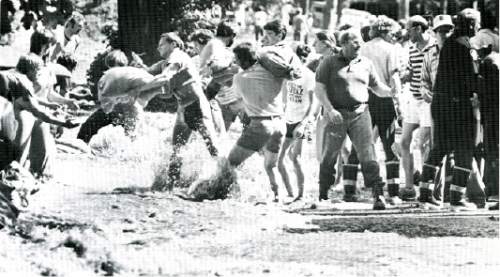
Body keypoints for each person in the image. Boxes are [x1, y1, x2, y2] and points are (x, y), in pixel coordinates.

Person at [314, 28, 396, 210]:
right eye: (354, 41)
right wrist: (330, 110)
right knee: (330, 154)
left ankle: (378, 194)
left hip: (361, 113)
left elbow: (376, 87)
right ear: (343, 44)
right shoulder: (329, 62)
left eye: (360, 40)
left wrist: (391, 92)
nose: (359, 44)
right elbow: (319, 89)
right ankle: (323, 195)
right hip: (337, 115)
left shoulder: (366, 63)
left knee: (368, 153)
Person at [138, 32, 219, 190]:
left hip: (197, 105)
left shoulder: (177, 57)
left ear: (173, 44)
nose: (158, 47)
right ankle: (169, 187)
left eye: (161, 44)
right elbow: (147, 73)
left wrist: (143, 89)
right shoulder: (165, 62)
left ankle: (226, 178)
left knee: (212, 146)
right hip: (183, 107)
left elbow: (166, 76)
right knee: (177, 149)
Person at [419, 9, 481, 211]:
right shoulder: (465, 46)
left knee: (440, 148)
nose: (478, 27)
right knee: (465, 148)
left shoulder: (448, 44)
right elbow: (471, 79)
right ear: (471, 25)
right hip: (458, 105)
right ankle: (457, 199)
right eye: (476, 24)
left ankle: (425, 195)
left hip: (440, 103)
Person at [341, 16, 403, 204]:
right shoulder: (390, 49)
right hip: (384, 99)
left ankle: (349, 190)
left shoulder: (363, 48)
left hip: (362, 99)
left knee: (359, 145)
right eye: (391, 32)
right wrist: (398, 101)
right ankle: (392, 193)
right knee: (389, 144)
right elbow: (394, 77)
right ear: (386, 31)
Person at [226, 42, 286, 201]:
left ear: (243, 60)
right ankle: (278, 197)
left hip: (260, 125)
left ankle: (233, 195)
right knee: (270, 166)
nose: (235, 62)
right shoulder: (273, 73)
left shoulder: (239, 78)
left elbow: (238, 103)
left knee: (231, 163)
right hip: (280, 124)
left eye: (236, 59)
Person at [0, 54, 79, 175]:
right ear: (31, 70)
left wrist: (48, 104)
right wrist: (64, 123)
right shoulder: (23, 82)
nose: (39, 76)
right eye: (38, 72)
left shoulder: (9, 74)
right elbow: (38, 112)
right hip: (8, 123)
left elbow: (25, 98)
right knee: (14, 161)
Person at [399, 15, 436, 201]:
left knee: (424, 145)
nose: (407, 33)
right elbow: (412, 71)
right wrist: (405, 76)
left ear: (419, 29)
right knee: (403, 142)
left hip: (428, 102)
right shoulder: (412, 48)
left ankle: (428, 189)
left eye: (409, 29)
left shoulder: (435, 46)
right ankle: (409, 186)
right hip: (413, 99)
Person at [420, 15, 454, 203]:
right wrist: (425, 92)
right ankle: (433, 192)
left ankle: (451, 192)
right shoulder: (430, 53)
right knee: (437, 147)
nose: (445, 34)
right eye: (441, 31)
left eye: (448, 30)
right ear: (434, 33)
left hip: (456, 105)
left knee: (454, 150)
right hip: (436, 105)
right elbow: (423, 80)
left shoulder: (459, 52)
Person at [277, 44, 317, 201]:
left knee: (296, 157)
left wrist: (304, 123)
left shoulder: (308, 76)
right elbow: (284, 98)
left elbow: (314, 104)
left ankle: (301, 194)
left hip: (303, 121)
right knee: (280, 160)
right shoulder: (288, 75)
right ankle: (290, 193)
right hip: (288, 119)